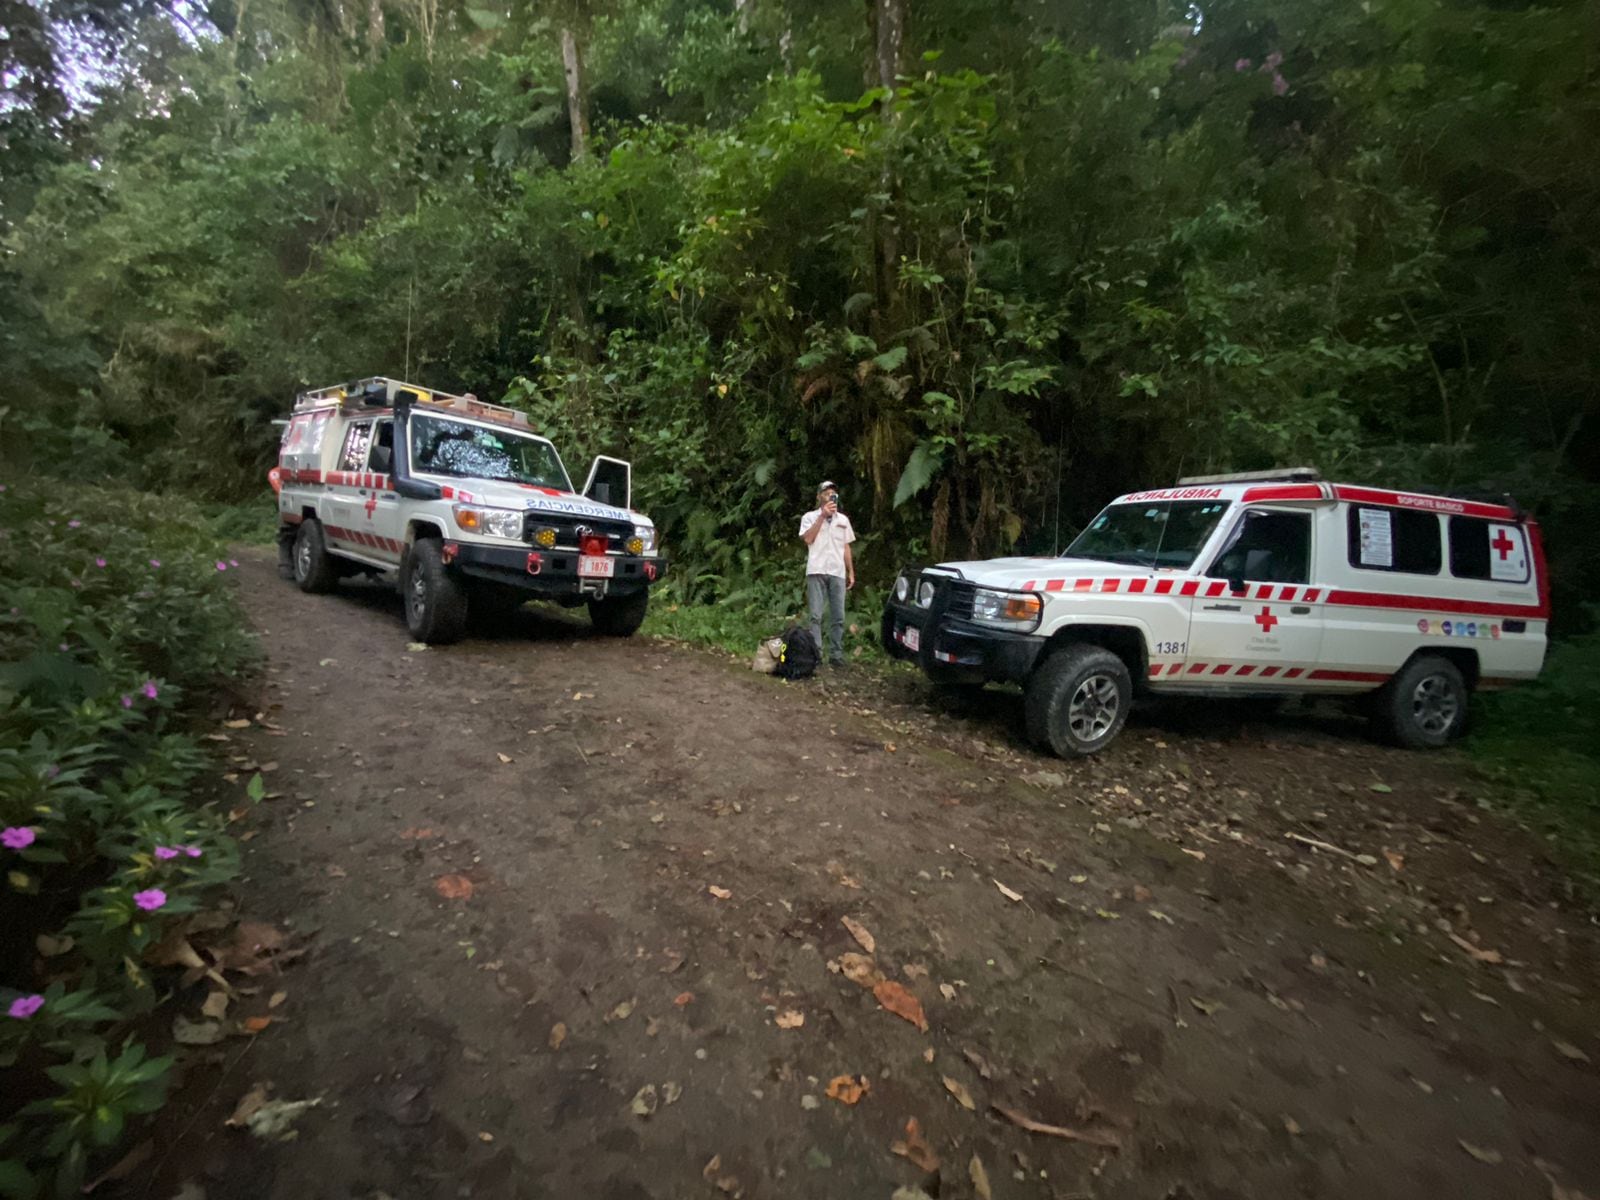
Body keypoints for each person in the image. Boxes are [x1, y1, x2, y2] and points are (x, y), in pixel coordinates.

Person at [798, 480, 856, 667]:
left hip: (837, 571)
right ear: (819, 497)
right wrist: (822, 516)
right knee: (815, 615)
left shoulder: (843, 520)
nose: (830, 495)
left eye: (833, 493)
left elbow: (846, 546)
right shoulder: (809, 517)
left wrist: (851, 571)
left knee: (838, 616)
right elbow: (808, 538)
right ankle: (816, 654)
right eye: (826, 493)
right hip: (816, 569)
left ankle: (836, 655)